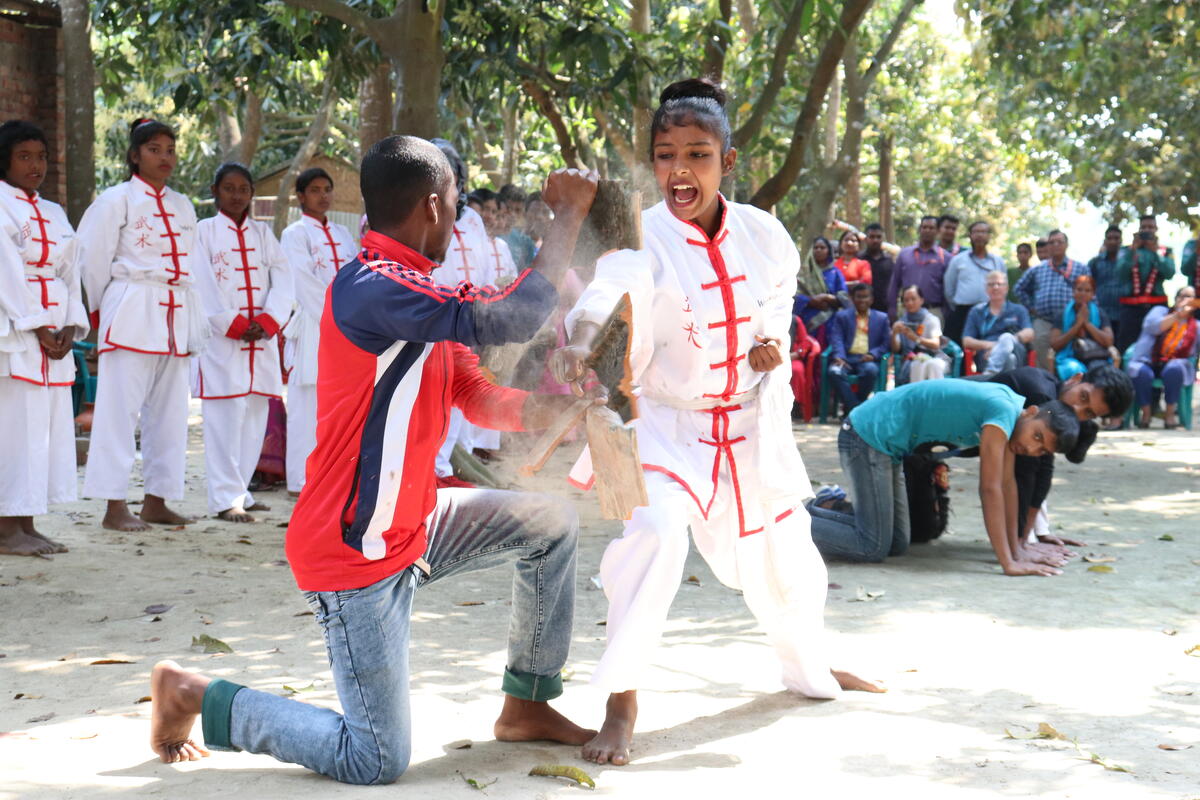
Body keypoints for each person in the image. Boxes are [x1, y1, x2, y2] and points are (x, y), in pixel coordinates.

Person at [148, 136, 604, 784]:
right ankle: (195, 696)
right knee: (375, 760)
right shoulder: (370, 289)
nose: (457, 210)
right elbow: (515, 317)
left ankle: (527, 703)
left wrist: (544, 412)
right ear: (432, 207)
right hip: (355, 555)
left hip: (417, 523)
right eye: (455, 199)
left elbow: (471, 394)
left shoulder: (417, 288)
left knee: (551, 523)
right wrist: (568, 218)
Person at [553, 78, 880, 768]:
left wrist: (771, 347)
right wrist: (582, 342)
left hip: (750, 431)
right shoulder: (642, 238)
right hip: (668, 432)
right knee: (657, 531)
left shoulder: (767, 236)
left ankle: (810, 668)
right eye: (665, 154)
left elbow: (774, 315)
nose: (679, 169)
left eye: (697, 154)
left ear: (727, 162)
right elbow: (613, 291)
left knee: (790, 558)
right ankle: (621, 703)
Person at [806, 379, 1079, 575]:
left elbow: (1008, 486)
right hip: (866, 435)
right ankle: (780, 522)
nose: (1032, 448)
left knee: (897, 544)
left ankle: (821, 507)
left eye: (1042, 449)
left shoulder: (1012, 418)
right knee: (871, 546)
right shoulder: (1003, 411)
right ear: (1031, 412)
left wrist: (1019, 550)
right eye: (1037, 436)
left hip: (889, 449)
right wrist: (1007, 562)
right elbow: (990, 490)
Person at [78, 118, 201, 532]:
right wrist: (103, 312)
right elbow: (92, 262)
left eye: (169, 148)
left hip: (176, 313)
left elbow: (194, 264)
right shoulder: (115, 200)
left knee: (169, 412)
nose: (164, 156)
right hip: (132, 308)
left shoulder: (184, 205)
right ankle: (114, 506)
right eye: (154, 149)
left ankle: (156, 500)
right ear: (134, 155)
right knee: (119, 411)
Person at [0, 120, 87, 557]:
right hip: (15, 332)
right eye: (24, 156)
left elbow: (72, 272)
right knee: (14, 427)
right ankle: (5, 528)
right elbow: (7, 274)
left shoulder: (54, 212)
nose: (36, 165)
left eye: (41, 156)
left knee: (44, 429)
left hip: (55, 332)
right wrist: (36, 325)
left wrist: (70, 324)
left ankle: (26, 522)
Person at [191, 163, 293, 522]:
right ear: (215, 190)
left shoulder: (264, 235)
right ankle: (223, 499)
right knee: (224, 418)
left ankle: (241, 492)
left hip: (261, 341)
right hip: (223, 343)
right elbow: (200, 283)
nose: (237, 195)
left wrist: (268, 320)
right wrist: (231, 323)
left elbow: (284, 279)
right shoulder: (202, 232)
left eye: (243, 189)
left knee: (254, 417)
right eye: (229, 188)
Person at [972, 364, 1133, 545]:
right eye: (1083, 396)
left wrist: (1039, 533)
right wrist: (1021, 545)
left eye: (1088, 412)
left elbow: (1044, 469)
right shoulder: (1041, 398)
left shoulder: (1055, 403)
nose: (1076, 409)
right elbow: (1026, 471)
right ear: (1076, 379)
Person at [279, 166, 357, 495]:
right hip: (314, 323)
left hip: (347, 325)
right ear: (300, 196)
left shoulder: (342, 234)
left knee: (339, 406)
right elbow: (302, 281)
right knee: (305, 404)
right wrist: (334, 315)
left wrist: (353, 315)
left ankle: (330, 477)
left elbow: (356, 275)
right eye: (315, 190)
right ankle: (299, 479)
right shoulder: (294, 234)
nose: (323, 196)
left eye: (327, 189)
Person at [1013, 229, 1089, 371]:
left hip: (1072, 322)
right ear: (1047, 246)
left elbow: (1091, 294)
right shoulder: (1038, 269)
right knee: (1043, 361)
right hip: (1044, 322)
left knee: (1072, 360)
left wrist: (1084, 317)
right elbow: (1019, 288)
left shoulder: (1080, 268)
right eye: (1051, 242)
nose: (1055, 245)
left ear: (1066, 245)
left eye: (1059, 242)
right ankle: (1046, 388)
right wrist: (1032, 307)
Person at [1127, 286, 1199, 429]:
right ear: (1176, 298)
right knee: (1140, 372)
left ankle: (1169, 415)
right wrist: (1177, 315)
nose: (1185, 300)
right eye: (1182, 296)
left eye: (1190, 297)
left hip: (1176, 364)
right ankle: (1146, 415)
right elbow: (1153, 327)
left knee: (1174, 369)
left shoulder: (1196, 325)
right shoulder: (1160, 311)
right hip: (1149, 360)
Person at [828, 282, 889, 412]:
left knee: (870, 371)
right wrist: (839, 356)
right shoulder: (842, 316)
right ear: (852, 298)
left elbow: (885, 343)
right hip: (846, 358)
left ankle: (851, 410)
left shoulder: (881, 318)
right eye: (858, 297)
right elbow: (836, 337)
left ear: (871, 299)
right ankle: (857, 410)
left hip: (866, 359)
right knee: (834, 372)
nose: (862, 300)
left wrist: (873, 355)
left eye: (865, 297)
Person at [1115, 219, 1174, 353]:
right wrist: (1132, 251)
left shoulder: (1165, 251)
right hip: (1130, 308)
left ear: (1156, 229)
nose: (1147, 230)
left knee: (1158, 345)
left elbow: (1170, 273)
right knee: (1126, 345)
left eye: (1151, 227)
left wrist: (1155, 253)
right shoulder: (1126, 250)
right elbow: (1120, 274)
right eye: (1144, 227)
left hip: (1156, 306)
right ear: (1139, 230)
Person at [944, 220, 1004, 344]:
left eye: (983, 232)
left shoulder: (997, 262)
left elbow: (1003, 288)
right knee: (959, 351)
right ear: (970, 235)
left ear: (989, 236)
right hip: (962, 313)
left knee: (989, 351)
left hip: (990, 313)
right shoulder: (958, 260)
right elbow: (949, 289)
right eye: (976, 232)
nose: (979, 235)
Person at [962, 270, 1033, 373]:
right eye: (991, 284)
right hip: (986, 355)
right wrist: (994, 346)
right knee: (1009, 358)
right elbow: (967, 341)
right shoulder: (977, 311)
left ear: (1006, 288)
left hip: (1016, 352)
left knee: (1007, 338)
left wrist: (1008, 341)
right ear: (986, 289)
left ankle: (991, 372)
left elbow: (1029, 333)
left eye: (999, 284)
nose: (995, 287)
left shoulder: (1019, 310)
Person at [1050, 275, 1117, 381]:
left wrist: (1086, 323)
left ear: (1093, 294)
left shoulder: (1100, 313)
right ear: (1073, 291)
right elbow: (1054, 344)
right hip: (1069, 357)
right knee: (1074, 369)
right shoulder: (1062, 314)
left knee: (1101, 372)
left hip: (1096, 356)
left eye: (1087, 290)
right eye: (1079, 289)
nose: (1082, 294)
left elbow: (1108, 341)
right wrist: (1077, 325)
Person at [887, 215, 948, 322]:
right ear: (919, 229)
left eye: (931, 228)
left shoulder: (945, 257)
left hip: (933, 311)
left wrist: (945, 312)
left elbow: (948, 288)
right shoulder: (904, 254)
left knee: (931, 339)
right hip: (907, 310)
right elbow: (895, 283)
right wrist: (892, 308)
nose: (927, 230)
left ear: (938, 231)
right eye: (924, 227)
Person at [793, 235, 848, 344]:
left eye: (822, 248)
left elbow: (843, 296)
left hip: (830, 319)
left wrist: (827, 297)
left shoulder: (835, 272)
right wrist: (810, 301)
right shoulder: (803, 273)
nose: (818, 250)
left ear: (829, 251)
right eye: (815, 247)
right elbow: (793, 294)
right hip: (806, 319)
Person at [891, 285, 948, 384]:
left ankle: (935, 397)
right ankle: (919, 398)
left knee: (931, 365)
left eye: (913, 299)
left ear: (921, 300)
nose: (910, 303)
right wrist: (894, 334)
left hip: (934, 357)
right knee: (917, 364)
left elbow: (936, 344)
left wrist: (916, 339)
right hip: (911, 359)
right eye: (906, 300)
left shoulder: (931, 319)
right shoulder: (902, 322)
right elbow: (896, 349)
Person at [1088, 225, 1123, 341]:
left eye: (1116, 238)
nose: (1113, 241)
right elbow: (1088, 286)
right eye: (1110, 238)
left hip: (1123, 314)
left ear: (1121, 241)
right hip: (1100, 314)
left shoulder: (1127, 262)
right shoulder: (1095, 262)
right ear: (1105, 241)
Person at [498, 183, 536, 269]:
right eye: (508, 208)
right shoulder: (489, 235)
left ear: (524, 213)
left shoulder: (526, 242)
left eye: (518, 210)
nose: (512, 214)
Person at [862, 222, 895, 312]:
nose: (875, 240)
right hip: (862, 309)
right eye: (872, 237)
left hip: (884, 310)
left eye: (878, 237)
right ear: (866, 239)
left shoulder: (889, 261)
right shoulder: (859, 260)